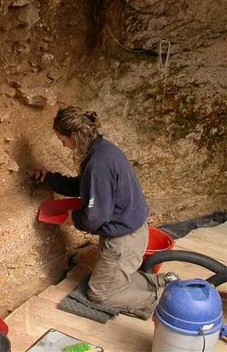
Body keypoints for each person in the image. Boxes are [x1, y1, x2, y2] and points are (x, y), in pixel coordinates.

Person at [34, 106, 178, 320]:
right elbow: (83, 186)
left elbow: (94, 217)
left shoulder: (97, 165)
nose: (62, 145)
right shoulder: (102, 149)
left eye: (62, 139)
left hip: (123, 242)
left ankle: (158, 301)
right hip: (134, 232)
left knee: (99, 294)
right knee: (115, 277)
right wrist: (49, 179)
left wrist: (73, 218)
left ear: (74, 136)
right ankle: (159, 282)